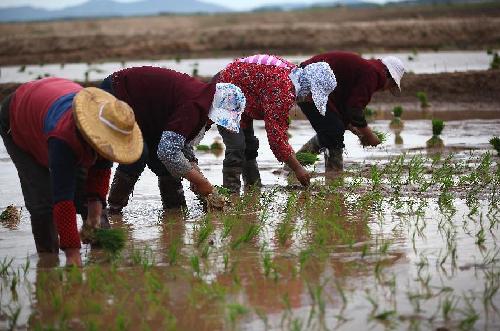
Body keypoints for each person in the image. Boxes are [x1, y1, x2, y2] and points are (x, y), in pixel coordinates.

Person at [0, 77, 143, 266]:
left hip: (51, 101)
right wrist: (72, 252)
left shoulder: (109, 129)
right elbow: (63, 200)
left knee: (87, 198)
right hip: (19, 116)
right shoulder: (63, 138)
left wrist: (93, 214)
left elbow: (100, 174)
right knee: (42, 201)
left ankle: (103, 254)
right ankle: (48, 260)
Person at [100, 66, 245, 214]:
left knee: (166, 166)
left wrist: (196, 173)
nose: (213, 123)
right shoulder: (194, 104)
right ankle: (113, 211)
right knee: (138, 153)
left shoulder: (202, 99)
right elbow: (168, 152)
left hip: (147, 116)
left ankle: (175, 213)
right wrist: (201, 183)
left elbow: (180, 142)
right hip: (117, 93)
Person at [215, 54, 337, 192]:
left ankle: (253, 189)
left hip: (244, 92)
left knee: (249, 145)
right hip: (225, 91)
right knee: (236, 147)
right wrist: (297, 168)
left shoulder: (293, 75)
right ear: (309, 86)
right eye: (313, 95)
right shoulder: (282, 89)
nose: (310, 100)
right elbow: (276, 138)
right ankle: (231, 195)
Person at [297, 51, 406, 171]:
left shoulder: (365, 70)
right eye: (391, 85)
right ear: (388, 75)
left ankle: (294, 166)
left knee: (332, 129)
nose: (386, 89)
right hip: (309, 82)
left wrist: (356, 130)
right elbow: (354, 110)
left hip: (306, 81)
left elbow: (344, 108)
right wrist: (368, 135)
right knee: (334, 130)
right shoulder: (372, 73)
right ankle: (334, 176)